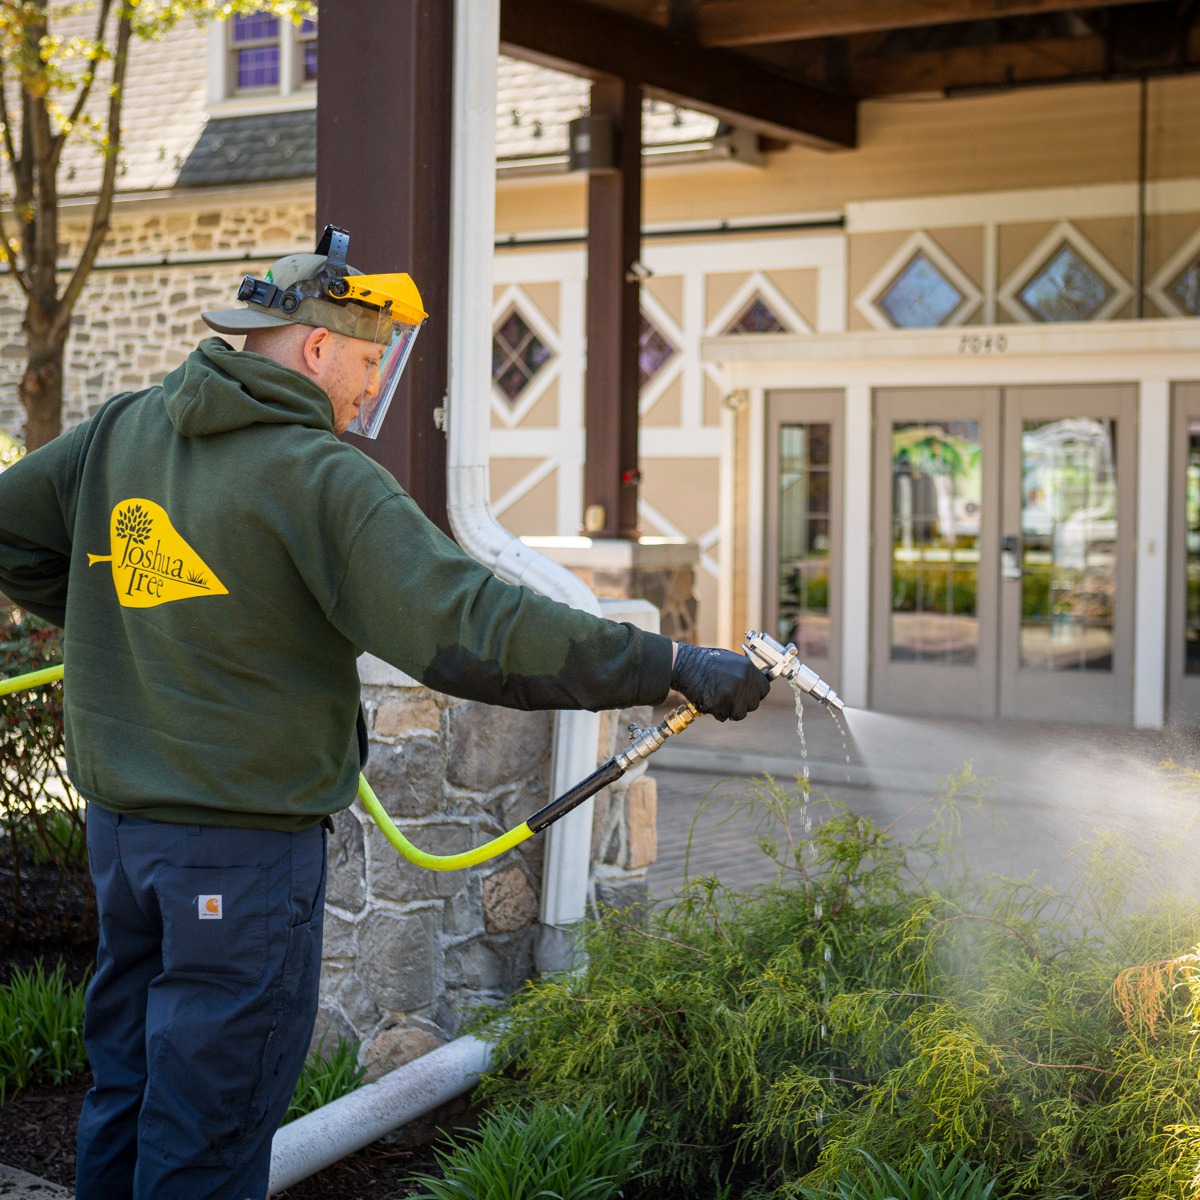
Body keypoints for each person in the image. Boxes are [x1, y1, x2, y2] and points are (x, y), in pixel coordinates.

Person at [0, 225, 769, 1200]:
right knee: (207, 1133)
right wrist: (667, 661)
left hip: (123, 840)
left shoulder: (122, 431)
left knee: (130, 1087)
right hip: (238, 861)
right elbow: (476, 625)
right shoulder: (320, 478)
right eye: (368, 361)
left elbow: (12, 531)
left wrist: (126, 628)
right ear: (316, 349)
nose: (371, 388)